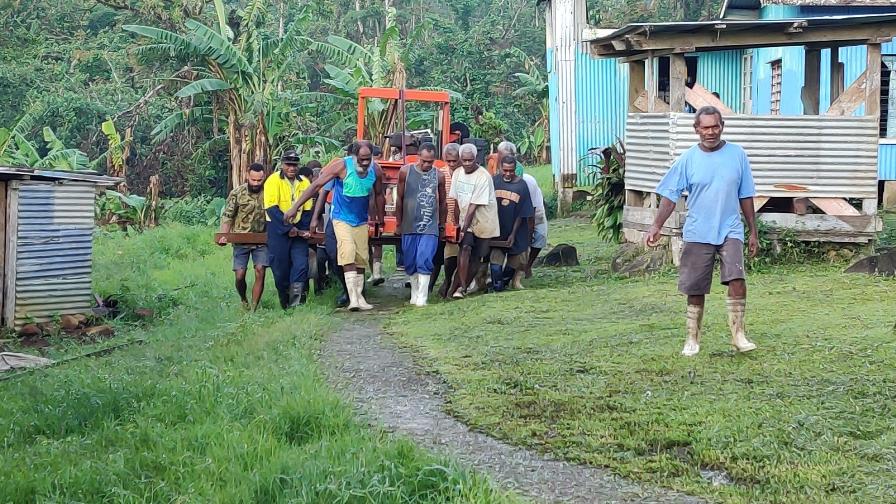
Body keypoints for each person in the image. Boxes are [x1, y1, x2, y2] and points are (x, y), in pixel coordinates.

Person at [646, 105, 759, 357]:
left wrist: (753, 231)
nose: (711, 132)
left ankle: (738, 334)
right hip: (698, 231)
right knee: (695, 287)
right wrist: (656, 225)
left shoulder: (737, 155)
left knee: (737, 279)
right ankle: (692, 338)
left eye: (715, 126)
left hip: (730, 228)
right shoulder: (688, 159)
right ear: (696, 129)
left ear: (722, 127)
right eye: (705, 127)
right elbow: (669, 195)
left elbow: (746, 194)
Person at [286, 141, 385, 311]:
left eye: (368, 159)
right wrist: (295, 207)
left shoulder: (375, 170)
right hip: (341, 218)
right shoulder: (341, 166)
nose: (365, 163)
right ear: (354, 157)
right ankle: (352, 298)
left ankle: (360, 297)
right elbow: (317, 186)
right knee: (347, 252)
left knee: (361, 258)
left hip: (361, 220)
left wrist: (380, 218)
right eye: (362, 159)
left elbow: (378, 194)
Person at [396, 142, 447, 306]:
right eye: (424, 160)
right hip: (409, 224)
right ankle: (414, 292)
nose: (426, 164)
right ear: (418, 156)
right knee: (410, 261)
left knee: (424, 259)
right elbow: (400, 199)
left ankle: (422, 298)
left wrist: (442, 224)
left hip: (429, 225)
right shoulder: (406, 171)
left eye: (430, 161)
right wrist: (398, 222)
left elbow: (443, 202)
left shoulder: (438, 176)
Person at [447, 144, 500, 299]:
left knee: (477, 256)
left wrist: (463, 229)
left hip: (484, 221)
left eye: (470, 160)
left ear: (476, 159)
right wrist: (458, 225)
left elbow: (473, 207)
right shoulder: (457, 173)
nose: (467, 163)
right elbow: (455, 201)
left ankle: (460, 287)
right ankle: (460, 287)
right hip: (465, 220)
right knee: (465, 249)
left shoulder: (483, 176)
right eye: (464, 160)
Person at [263, 149, 314, 309]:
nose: (291, 168)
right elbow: (271, 208)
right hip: (278, 229)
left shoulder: (305, 182)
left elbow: (307, 209)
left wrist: (302, 229)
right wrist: (287, 228)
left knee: (301, 265)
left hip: (298, 228)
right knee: (280, 268)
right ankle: (284, 300)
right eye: (288, 165)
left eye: (294, 165)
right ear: (282, 165)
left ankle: (296, 303)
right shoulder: (272, 181)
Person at [217, 163, 269, 310]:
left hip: (262, 240)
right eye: (253, 180)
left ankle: (254, 307)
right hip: (241, 240)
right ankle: (243, 299)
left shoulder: (269, 193)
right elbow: (228, 216)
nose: (256, 183)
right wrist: (224, 236)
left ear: (263, 177)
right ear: (248, 176)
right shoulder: (237, 193)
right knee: (240, 275)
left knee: (260, 270)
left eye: (259, 180)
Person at [490, 155, 533, 292]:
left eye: (511, 170)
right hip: (497, 232)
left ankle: (507, 283)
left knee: (513, 265)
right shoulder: (494, 181)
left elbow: (522, 213)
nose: (508, 174)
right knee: (495, 265)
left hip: (516, 231)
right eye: (505, 170)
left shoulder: (522, 185)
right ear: (500, 168)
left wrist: (513, 234)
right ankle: (497, 288)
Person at [433, 143, 462, 296]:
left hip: (459, 219)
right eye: (448, 161)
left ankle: (448, 281)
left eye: (454, 161)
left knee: (452, 255)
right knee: (436, 255)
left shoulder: (464, 174)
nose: (451, 164)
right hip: (440, 219)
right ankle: (430, 286)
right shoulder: (439, 173)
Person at [521, 170, 547, 282]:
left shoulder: (529, 182)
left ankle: (528, 265)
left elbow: (533, 211)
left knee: (540, 236)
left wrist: (530, 232)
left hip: (535, 209)